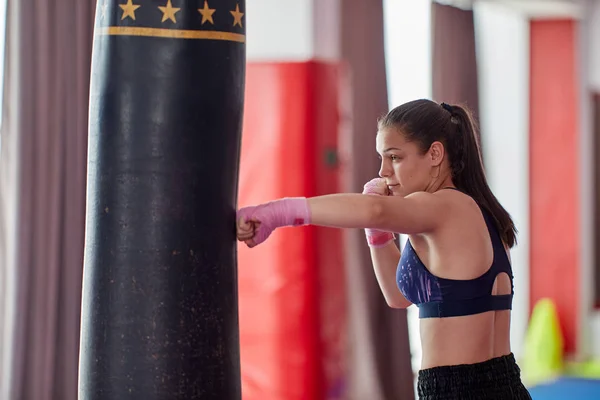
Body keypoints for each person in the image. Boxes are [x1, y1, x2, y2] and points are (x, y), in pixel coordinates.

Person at [236, 99, 532, 400]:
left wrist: (277, 212)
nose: (383, 171)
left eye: (395, 157)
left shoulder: (445, 206)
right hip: (498, 384)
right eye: (382, 157)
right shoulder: (477, 213)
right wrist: (377, 235)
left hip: (461, 391)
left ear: (435, 154)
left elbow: (376, 210)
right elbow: (398, 295)